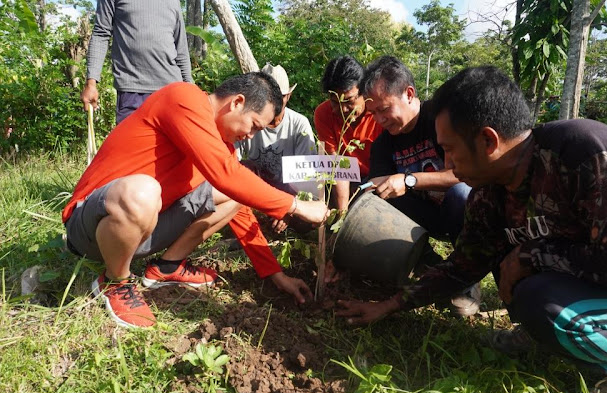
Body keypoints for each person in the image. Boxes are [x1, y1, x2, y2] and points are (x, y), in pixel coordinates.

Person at [336, 66, 607, 393]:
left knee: (544, 301)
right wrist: (389, 305)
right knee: (523, 282)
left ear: (488, 141)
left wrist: (529, 256)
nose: (446, 165)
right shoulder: (491, 192)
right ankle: (546, 333)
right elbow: (464, 266)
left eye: (449, 150)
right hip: (596, 284)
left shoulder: (587, 152)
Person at [63, 72, 328, 329]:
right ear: (237, 102)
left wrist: (276, 275)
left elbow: (239, 203)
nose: (251, 136)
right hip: (91, 227)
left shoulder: (220, 145)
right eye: (254, 126)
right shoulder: (184, 98)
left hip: (143, 228)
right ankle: (115, 281)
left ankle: (167, 267)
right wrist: (296, 206)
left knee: (234, 193)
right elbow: (226, 175)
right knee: (143, 190)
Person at [356, 55, 478, 317]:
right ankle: (428, 262)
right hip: (424, 219)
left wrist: (410, 180)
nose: (379, 120)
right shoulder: (383, 144)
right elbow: (378, 189)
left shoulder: (442, 118)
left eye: (384, 109)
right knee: (378, 196)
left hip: (462, 211)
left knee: (460, 193)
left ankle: (467, 275)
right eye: (373, 113)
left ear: (409, 93)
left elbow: (467, 174)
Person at [80, 0, 193, 123]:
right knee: (130, 142)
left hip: (172, 92)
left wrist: (190, 88)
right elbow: (101, 34)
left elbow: (181, 48)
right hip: (132, 92)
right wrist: (91, 83)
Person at [236, 64, 318, 233]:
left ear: (288, 96)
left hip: (291, 195)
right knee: (243, 167)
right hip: (259, 192)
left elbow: (307, 177)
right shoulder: (247, 121)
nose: (274, 104)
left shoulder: (298, 124)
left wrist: (289, 208)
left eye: (279, 97)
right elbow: (230, 163)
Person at [314, 55, 382, 211]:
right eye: (335, 102)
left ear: (364, 92)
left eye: (349, 101)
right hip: (345, 181)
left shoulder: (379, 113)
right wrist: (342, 216)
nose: (343, 110)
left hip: (377, 179)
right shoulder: (323, 114)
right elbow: (337, 166)